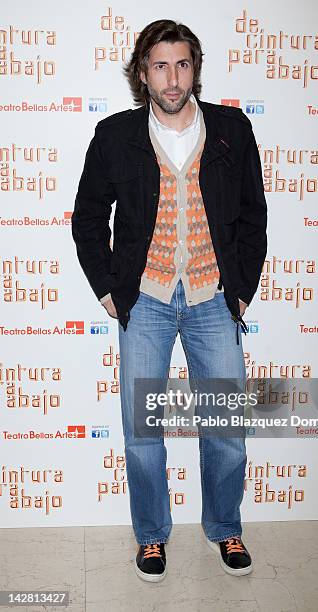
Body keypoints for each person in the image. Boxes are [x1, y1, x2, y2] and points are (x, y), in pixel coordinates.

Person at [71, 19, 267, 582]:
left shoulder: (232, 129)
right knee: (142, 432)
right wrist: (108, 288)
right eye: (160, 65)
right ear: (142, 72)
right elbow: (88, 219)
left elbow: (254, 215)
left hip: (212, 298)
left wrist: (243, 290)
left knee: (227, 430)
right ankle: (152, 536)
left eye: (182, 64)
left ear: (194, 69)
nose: (172, 76)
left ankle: (225, 526)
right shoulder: (114, 136)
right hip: (147, 300)